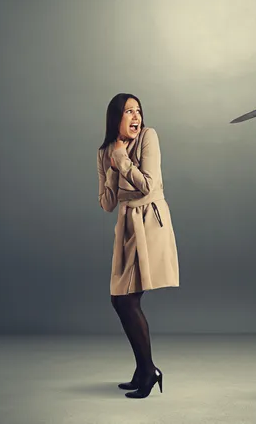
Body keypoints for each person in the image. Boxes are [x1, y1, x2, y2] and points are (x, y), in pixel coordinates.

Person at [96, 93, 179, 399]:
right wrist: (110, 169)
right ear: (115, 117)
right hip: (127, 225)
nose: (136, 117)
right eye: (128, 111)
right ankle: (143, 368)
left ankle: (148, 371)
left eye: (139, 111)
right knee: (122, 300)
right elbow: (106, 203)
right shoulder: (104, 151)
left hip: (150, 222)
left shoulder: (148, 137)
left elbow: (148, 183)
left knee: (126, 300)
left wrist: (121, 160)